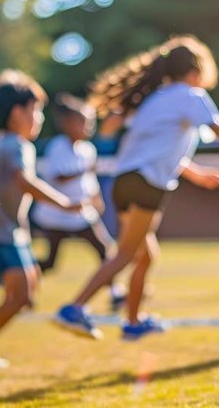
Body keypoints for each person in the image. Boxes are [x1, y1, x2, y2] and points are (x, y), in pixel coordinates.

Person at [53, 35, 219, 341]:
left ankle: (133, 322)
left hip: (124, 181)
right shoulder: (190, 96)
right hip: (146, 185)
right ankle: (74, 309)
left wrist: (198, 174)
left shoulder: (156, 99)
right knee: (126, 253)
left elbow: (164, 151)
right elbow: (217, 129)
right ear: (197, 70)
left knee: (145, 256)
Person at [0, 71, 81, 367]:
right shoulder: (17, 146)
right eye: (36, 111)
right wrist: (65, 204)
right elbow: (25, 181)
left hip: (1, 232)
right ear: (17, 112)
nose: (40, 119)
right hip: (0, 233)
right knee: (20, 297)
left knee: (29, 289)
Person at [32, 94, 126, 311]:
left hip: (81, 214)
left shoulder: (88, 149)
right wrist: (84, 170)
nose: (88, 127)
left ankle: (116, 293)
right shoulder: (58, 146)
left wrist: (96, 198)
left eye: (90, 122)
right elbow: (58, 177)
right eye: (83, 122)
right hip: (56, 215)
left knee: (105, 251)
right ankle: (20, 282)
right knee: (50, 263)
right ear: (68, 124)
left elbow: (90, 181)